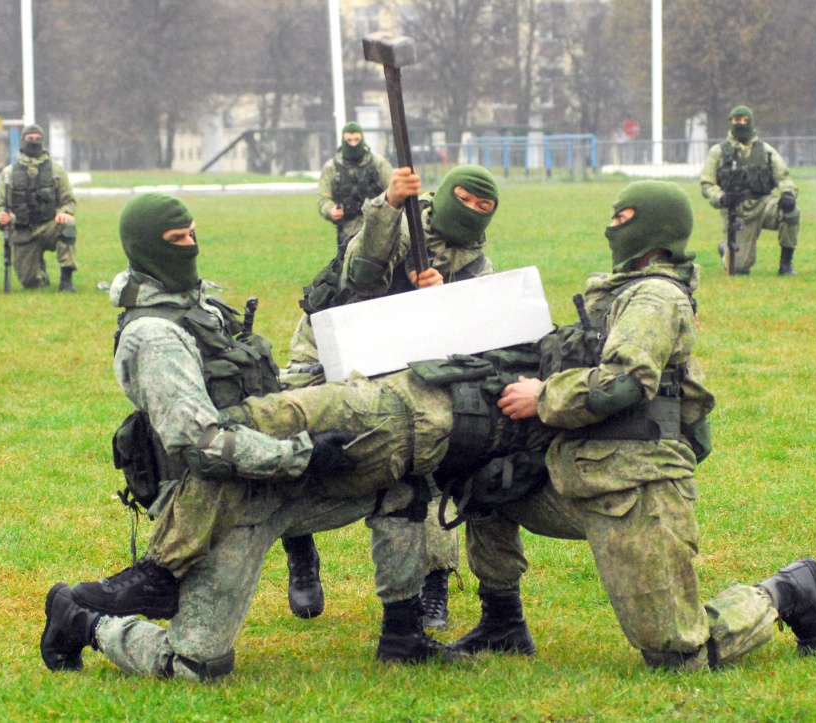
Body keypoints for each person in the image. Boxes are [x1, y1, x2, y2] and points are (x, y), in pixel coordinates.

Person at [42, 192, 469, 678]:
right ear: (144, 249)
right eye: (176, 239)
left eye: (193, 233)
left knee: (401, 490)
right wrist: (302, 456)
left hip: (272, 481)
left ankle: (403, 633)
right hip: (212, 504)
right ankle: (84, 620)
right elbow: (202, 444)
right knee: (195, 665)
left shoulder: (201, 307)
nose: (190, 245)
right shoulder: (154, 336)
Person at [450, 180, 816, 671]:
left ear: (651, 230)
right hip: (577, 471)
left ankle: (787, 590)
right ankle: (502, 622)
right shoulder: (616, 295)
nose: (612, 228)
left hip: (636, 486)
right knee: (485, 487)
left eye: (622, 217)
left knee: (679, 655)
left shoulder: (655, 298)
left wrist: (543, 396)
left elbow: (625, 382)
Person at [282, 164, 500, 629]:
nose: (472, 211)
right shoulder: (401, 224)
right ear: (441, 196)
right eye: (463, 198)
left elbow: (476, 337)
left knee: (435, 454)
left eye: (484, 207)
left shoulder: (480, 268)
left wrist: (444, 302)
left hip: (406, 363)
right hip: (332, 345)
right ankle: (299, 549)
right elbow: (361, 274)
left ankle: (434, 585)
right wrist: (390, 204)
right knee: (297, 441)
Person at [700, 105, 800, 276]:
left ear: (751, 122)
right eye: (736, 121)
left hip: (763, 203)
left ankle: (786, 264)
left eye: (744, 121)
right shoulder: (718, 152)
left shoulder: (766, 151)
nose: (740, 124)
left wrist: (788, 193)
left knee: (791, 213)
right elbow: (707, 184)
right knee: (739, 268)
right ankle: (726, 250)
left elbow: (783, 176)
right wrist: (722, 198)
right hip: (736, 210)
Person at [0, 125, 79, 291]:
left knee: (68, 227)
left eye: (37, 138)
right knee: (30, 283)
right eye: (29, 138)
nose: (34, 142)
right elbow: (1, 205)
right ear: (22, 141)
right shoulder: (8, 173)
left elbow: (68, 200)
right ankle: (40, 272)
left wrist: (65, 213)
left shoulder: (56, 171)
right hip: (23, 231)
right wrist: (2, 217)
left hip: (49, 227)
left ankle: (66, 281)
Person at [317, 122, 392, 252]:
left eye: (357, 140)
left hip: (379, 228)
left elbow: (394, 190)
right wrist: (330, 210)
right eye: (349, 140)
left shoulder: (379, 164)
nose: (353, 144)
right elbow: (323, 198)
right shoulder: (331, 168)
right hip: (347, 230)